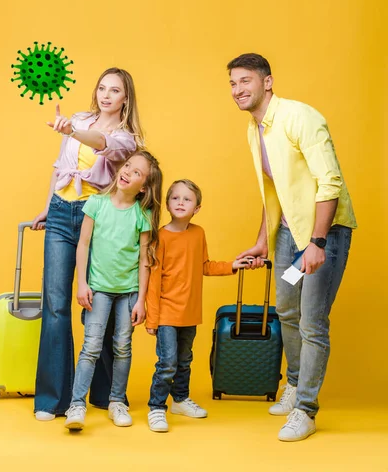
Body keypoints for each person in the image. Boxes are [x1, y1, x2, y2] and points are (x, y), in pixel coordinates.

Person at [228, 53, 356, 442]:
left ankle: (306, 410)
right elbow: (275, 191)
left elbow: (329, 183)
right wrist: (264, 241)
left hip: (324, 234)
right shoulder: (255, 128)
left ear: (267, 82)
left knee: (312, 321)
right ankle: (295, 385)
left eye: (245, 81)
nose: (238, 90)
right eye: (233, 83)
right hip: (288, 233)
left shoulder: (301, 117)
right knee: (286, 308)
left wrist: (316, 243)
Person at [32, 67, 144, 421]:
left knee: (102, 302)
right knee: (55, 304)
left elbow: (101, 143)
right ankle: (53, 400)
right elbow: (60, 167)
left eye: (114, 90)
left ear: (126, 98)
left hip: (98, 219)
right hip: (63, 212)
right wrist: (48, 206)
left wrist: (73, 131)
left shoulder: (127, 138)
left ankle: (103, 394)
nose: (106, 94)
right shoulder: (79, 118)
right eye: (101, 88)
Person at [64, 151, 162, 430]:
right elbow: (83, 245)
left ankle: (117, 401)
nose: (128, 172)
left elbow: (145, 260)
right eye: (127, 165)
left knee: (122, 347)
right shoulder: (96, 203)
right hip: (99, 289)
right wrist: (82, 283)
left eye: (137, 172)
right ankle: (77, 405)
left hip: (129, 292)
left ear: (143, 187)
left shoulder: (142, 214)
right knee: (91, 347)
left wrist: (141, 300)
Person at [145, 179, 251, 432]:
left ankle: (180, 399)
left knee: (184, 360)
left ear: (197, 207)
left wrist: (232, 266)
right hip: (167, 313)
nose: (181, 203)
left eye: (187, 199)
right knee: (167, 362)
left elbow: (204, 265)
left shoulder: (198, 233)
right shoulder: (159, 237)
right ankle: (156, 407)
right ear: (168, 203)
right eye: (175, 198)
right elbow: (153, 280)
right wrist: (152, 319)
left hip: (190, 312)